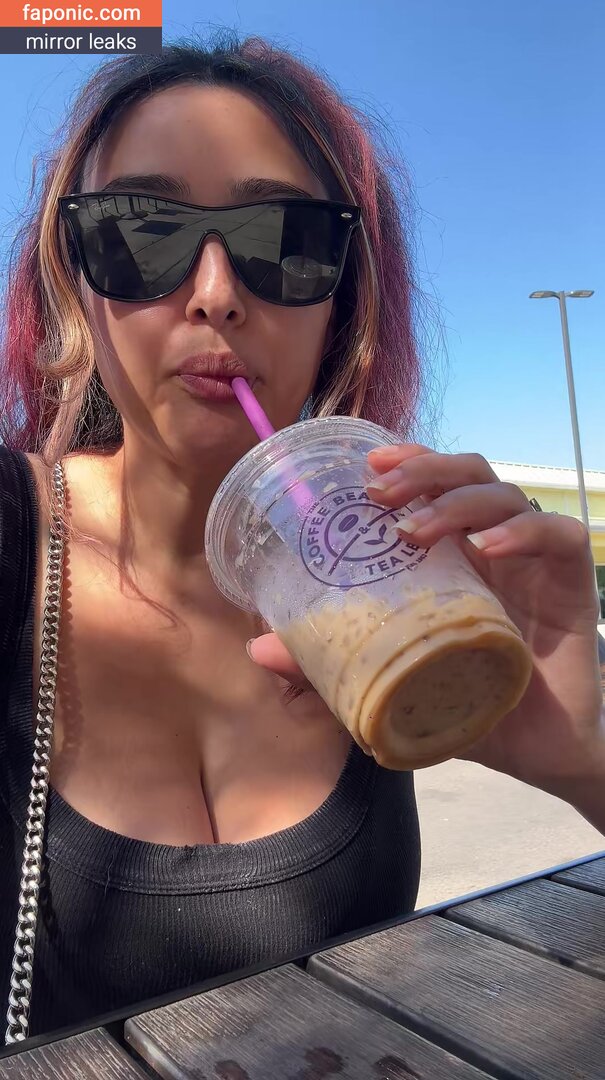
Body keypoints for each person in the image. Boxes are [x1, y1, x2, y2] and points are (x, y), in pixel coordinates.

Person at [0, 33, 603, 1043]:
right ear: (76, 283)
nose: (214, 292)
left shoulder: (385, 578)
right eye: (141, 230)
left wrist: (584, 759)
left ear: (341, 300)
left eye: (282, 239)